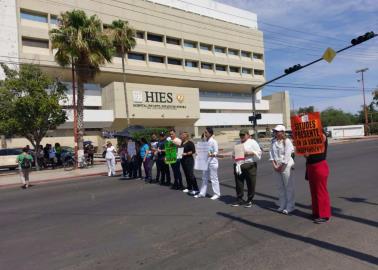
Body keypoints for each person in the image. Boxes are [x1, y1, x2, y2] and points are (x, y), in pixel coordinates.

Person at [305, 130, 331, 224]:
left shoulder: (321, 135)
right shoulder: (309, 137)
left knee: (321, 191)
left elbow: (321, 140)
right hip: (310, 166)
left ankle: (324, 215)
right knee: (314, 191)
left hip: (319, 165)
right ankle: (316, 212)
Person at [232, 129, 262, 207]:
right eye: (240, 135)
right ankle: (239, 199)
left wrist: (250, 153)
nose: (241, 136)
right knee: (239, 183)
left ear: (248, 135)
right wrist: (234, 156)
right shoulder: (237, 143)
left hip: (249, 165)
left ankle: (250, 200)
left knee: (251, 183)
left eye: (243, 135)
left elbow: (259, 152)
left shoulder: (252, 142)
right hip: (238, 165)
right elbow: (233, 154)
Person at [269, 125, 295, 214]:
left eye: (277, 131)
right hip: (276, 165)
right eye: (275, 131)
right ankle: (282, 204)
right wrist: (274, 165)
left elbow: (288, 155)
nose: (275, 133)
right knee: (279, 187)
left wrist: (281, 166)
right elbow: (271, 154)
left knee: (288, 186)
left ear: (283, 132)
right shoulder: (273, 141)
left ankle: (290, 206)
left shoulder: (287, 141)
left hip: (286, 165)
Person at [194, 127, 220, 200]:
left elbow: (216, 152)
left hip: (212, 162)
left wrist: (211, 154)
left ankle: (216, 194)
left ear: (210, 133)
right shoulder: (205, 141)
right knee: (204, 178)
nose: (205, 134)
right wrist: (199, 153)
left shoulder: (214, 141)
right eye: (204, 132)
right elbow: (202, 150)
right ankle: (202, 193)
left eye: (206, 132)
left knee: (214, 178)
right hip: (205, 162)